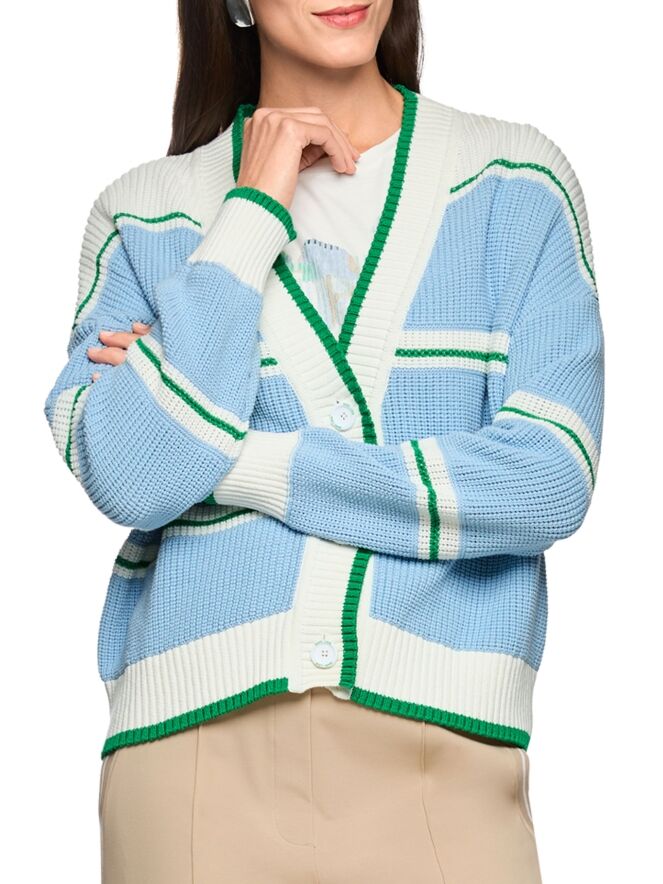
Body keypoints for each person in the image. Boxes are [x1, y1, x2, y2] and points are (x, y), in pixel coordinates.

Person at [43, 1, 605, 881]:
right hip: (191, 758)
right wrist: (250, 213)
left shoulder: (513, 182)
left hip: (443, 757)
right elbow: (128, 472)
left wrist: (237, 461)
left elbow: (546, 478)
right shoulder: (144, 213)